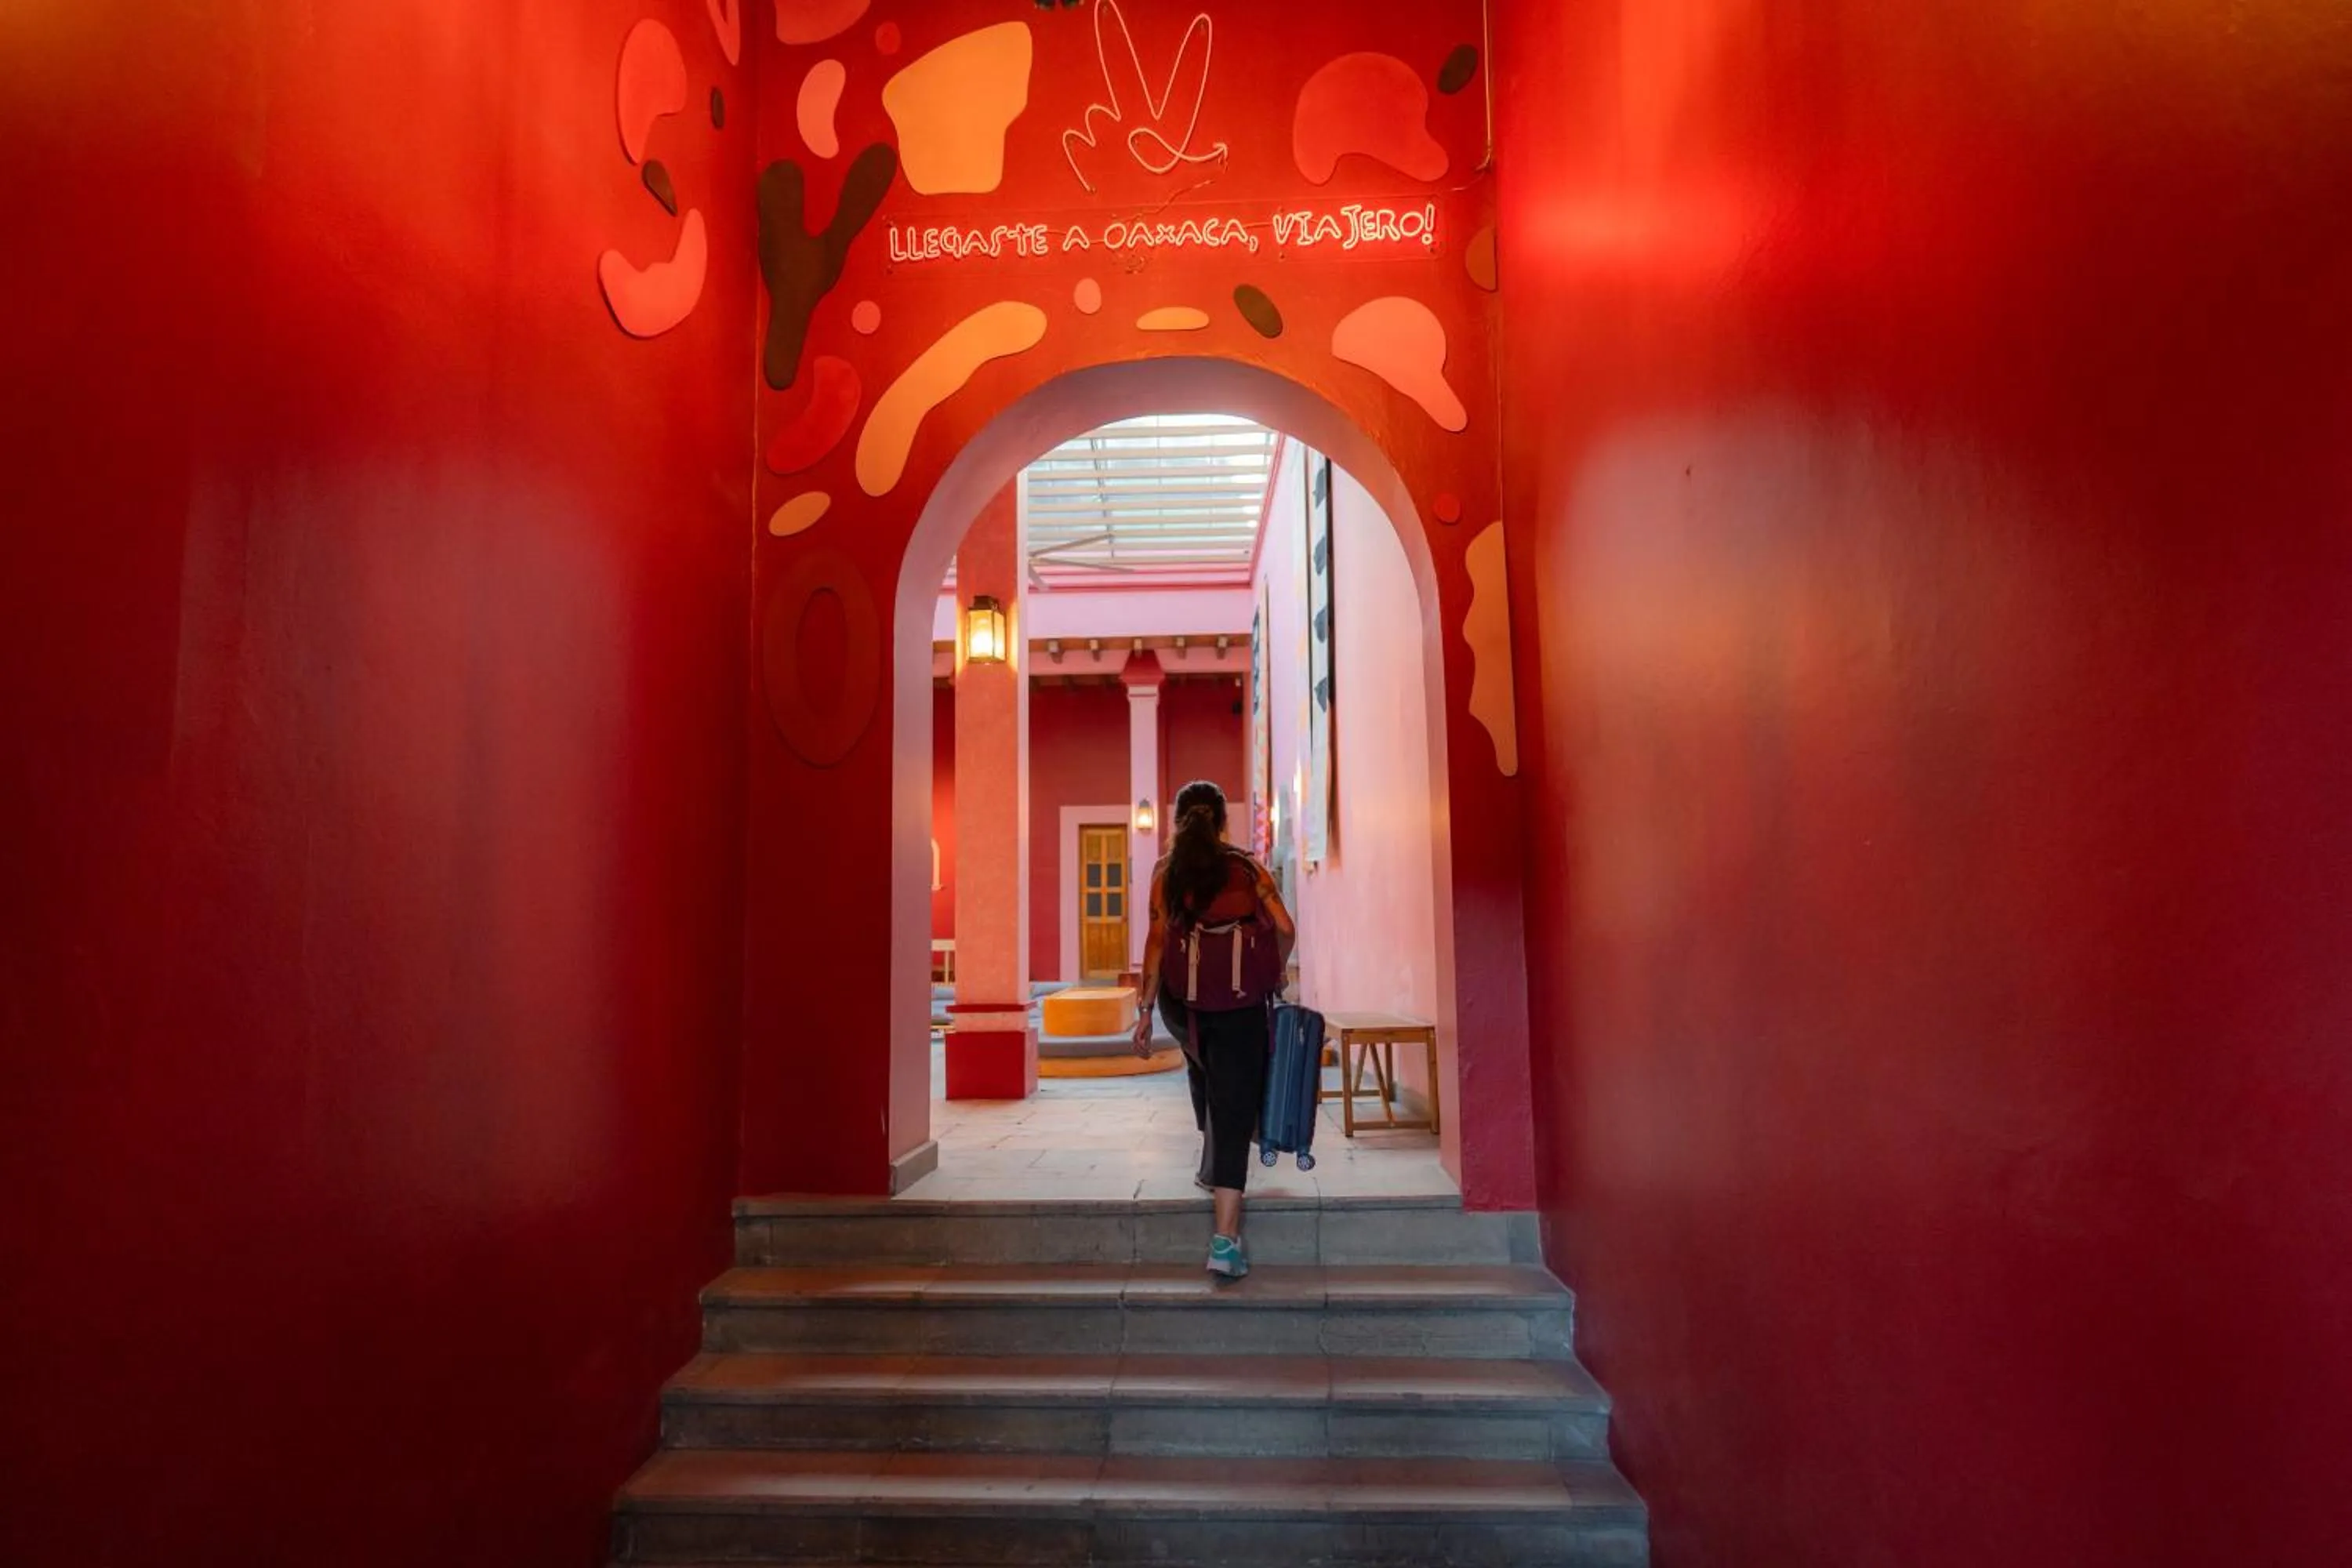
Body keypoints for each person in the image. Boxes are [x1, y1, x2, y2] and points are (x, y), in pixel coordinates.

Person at [1131, 780, 1297, 1278]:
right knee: (1233, 1102)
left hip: (1184, 1006)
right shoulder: (1247, 869)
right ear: (1223, 821)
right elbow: (1285, 928)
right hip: (1241, 1004)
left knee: (1204, 1066)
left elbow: (1156, 943)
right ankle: (1225, 1242)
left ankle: (1211, 1162)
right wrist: (1275, 969)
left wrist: (1145, 1011)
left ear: (1177, 820)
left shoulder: (1167, 873)